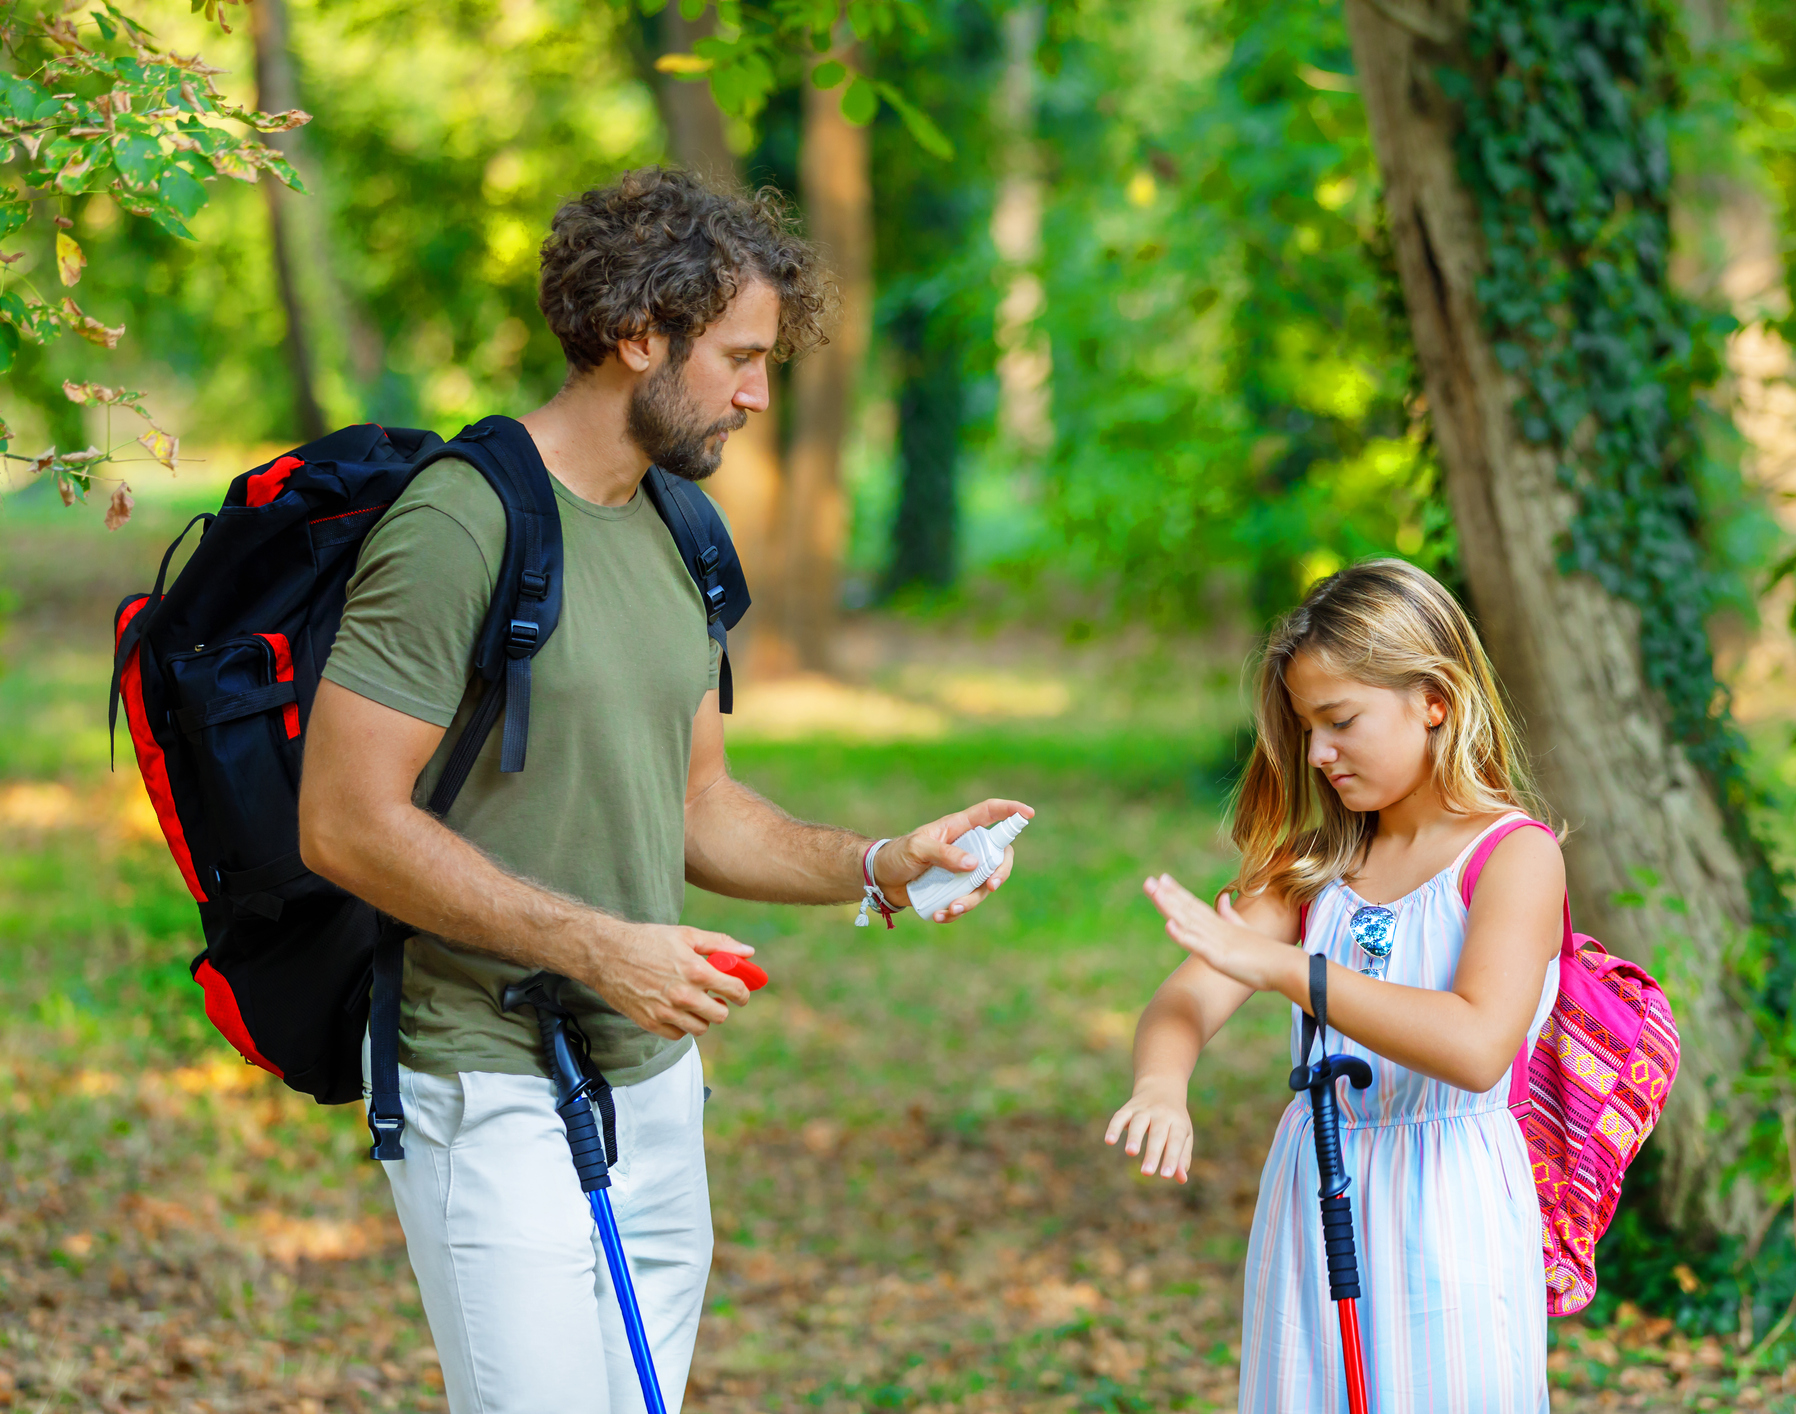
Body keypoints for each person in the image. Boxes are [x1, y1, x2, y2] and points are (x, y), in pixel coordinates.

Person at [299, 167, 1032, 1414]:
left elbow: (699, 806)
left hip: (653, 1077)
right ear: (637, 333)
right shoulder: (461, 525)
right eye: (738, 357)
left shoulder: (683, 532)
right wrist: (597, 945)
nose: (758, 393)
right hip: (487, 1081)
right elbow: (345, 821)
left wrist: (881, 862)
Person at [1105, 558, 1562, 1411]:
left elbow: (1473, 1046)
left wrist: (1289, 970)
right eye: (1304, 727)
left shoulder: (1513, 857)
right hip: (1315, 1194)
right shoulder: (1315, 872)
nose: (1318, 753)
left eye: (1339, 721)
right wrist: (1161, 1085)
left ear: (1436, 699)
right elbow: (1182, 1002)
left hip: (1451, 1199)